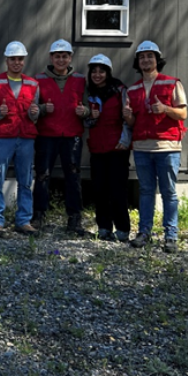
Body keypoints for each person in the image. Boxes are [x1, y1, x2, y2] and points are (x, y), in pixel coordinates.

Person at [123, 41, 188, 253]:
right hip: (142, 147)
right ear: (137, 62)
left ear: (157, 59)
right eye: (142, 57)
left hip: (167, 146)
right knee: (146, 191)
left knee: (169, 192)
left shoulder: (172, 83)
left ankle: (171, 235)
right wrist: (128, 117)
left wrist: (165, 108)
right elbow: (132, 123)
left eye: (149, 56)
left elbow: (183, 114)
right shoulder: (132, 90)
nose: (145, 60)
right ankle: (144, 232)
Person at [0, 41, 40, 238]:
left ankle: (23, 221)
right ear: (6, 60)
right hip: (3, 136)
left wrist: (35, 112)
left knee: (26, 180)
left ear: (24, 61)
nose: (16, 62)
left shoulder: (33, 84)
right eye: (13, 59)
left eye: (20, 59)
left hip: (25, 137)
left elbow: (35, 112)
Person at [32, 39, 90, 235]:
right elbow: (31, 109)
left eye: (65, 56)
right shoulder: (38, 79)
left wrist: (86, 111)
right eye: (57, 56)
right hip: (46, 135)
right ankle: (38, 214)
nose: (61, 60)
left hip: (72, 135)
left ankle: (74, 218)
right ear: (51, 58)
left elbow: (90, 105)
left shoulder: (81, 79)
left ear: (70, 58)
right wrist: (41, 109)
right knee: (42, 175)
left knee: (73, 177)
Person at [84, 54, 131, 242]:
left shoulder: (120, 90)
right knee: (100, 189)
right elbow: (85, 121)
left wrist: (126, 140)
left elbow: (128, 118)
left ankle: (123, 229)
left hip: (118, 147)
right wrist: (91, 116)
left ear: (108, 72)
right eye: (94, 71)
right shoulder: (88, 93)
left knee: (117, 189)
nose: (97, 75)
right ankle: (103, 227)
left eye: (101, 71)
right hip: (97, 147)